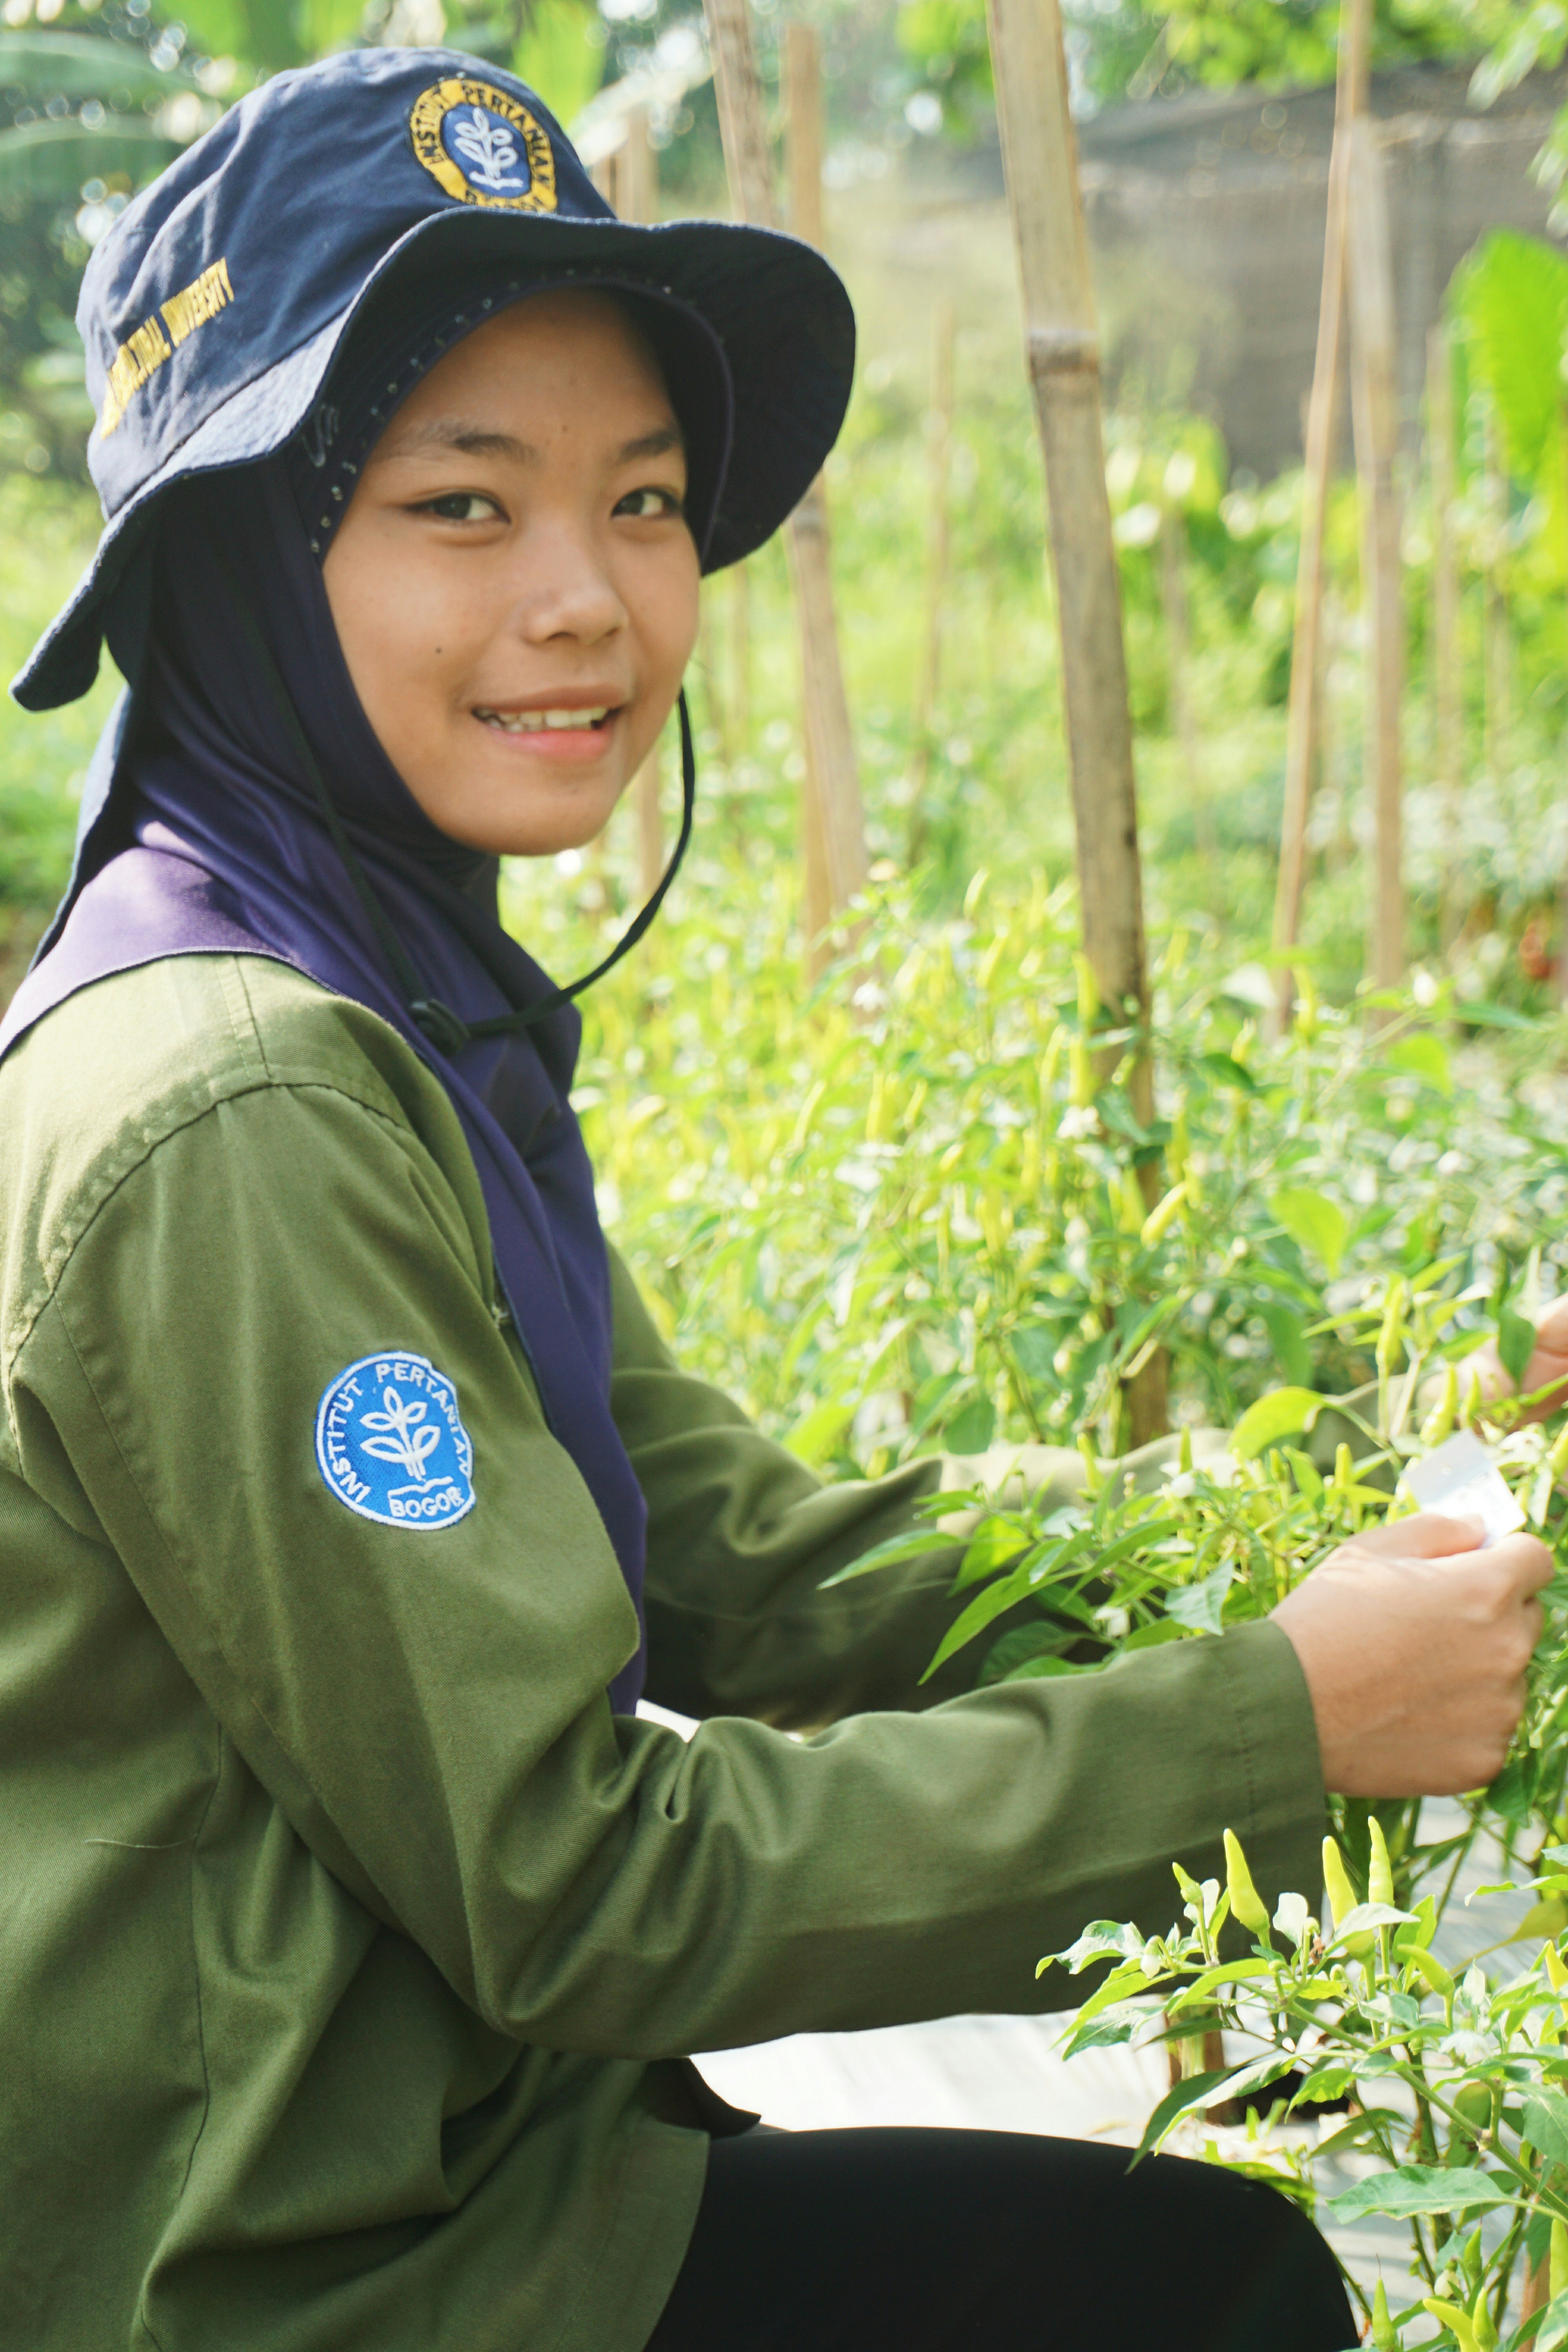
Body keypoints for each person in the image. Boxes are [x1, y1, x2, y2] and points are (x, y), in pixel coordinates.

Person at [0, 48, 1549, 2352]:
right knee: (1201, 2302)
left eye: (642, 500)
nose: (592, 600)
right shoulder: (244, 1112)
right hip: (295, 2275)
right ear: (235, 558)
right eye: (461, 505)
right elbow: (574, 1885)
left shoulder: (377, 997)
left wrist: (1326, 1502)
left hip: (445, 2151)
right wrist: (1276, 1725)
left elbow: (736, 1546)